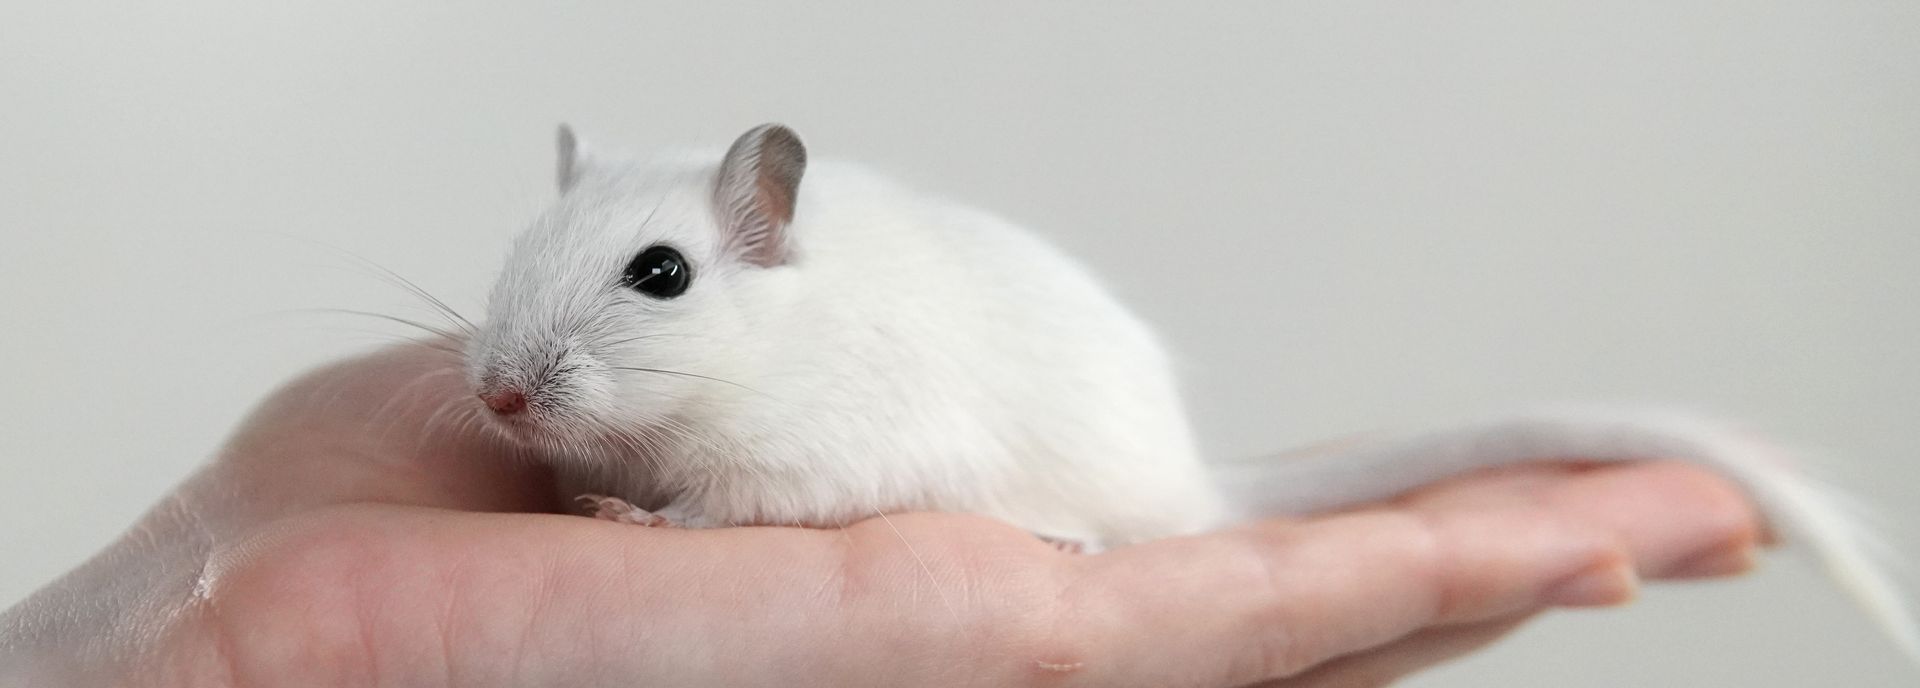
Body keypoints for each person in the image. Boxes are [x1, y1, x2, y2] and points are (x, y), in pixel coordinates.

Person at [0, 344, 1761, 687]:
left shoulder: (831, 371)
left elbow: (837, 470)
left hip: (1085, 476)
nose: (514, 386)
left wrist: (701, 526)